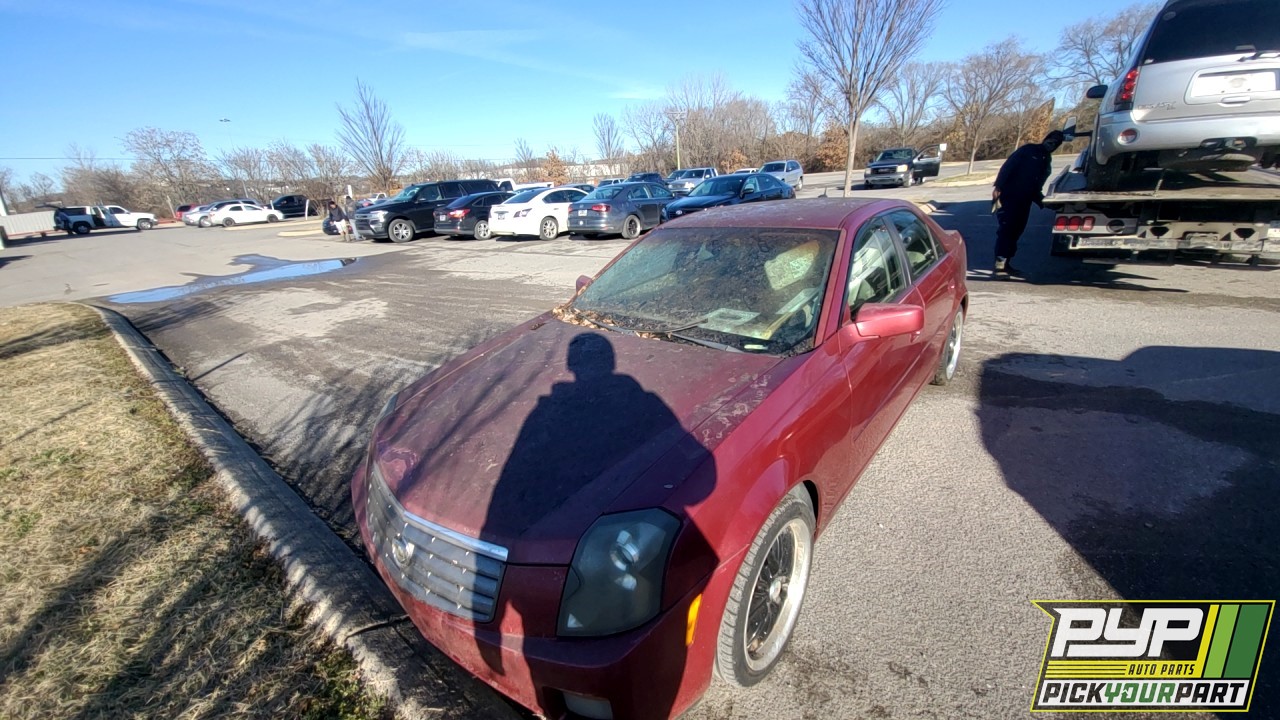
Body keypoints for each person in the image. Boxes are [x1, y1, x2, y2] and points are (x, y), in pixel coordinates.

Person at [992, 130, 1065, 275]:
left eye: (1056, 144)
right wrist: (998, 186)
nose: (1052, 145)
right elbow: (1008, 167)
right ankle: (999, 264)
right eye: (1051, 141)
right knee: (1007, 229)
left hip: (1025, 200)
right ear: (1046, 139)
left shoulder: (1046, 159)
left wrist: (1044, 202)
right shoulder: (1027, 150)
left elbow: (1035, 186)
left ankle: (1007, 263)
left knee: (1017, 230)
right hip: (1010, 196)